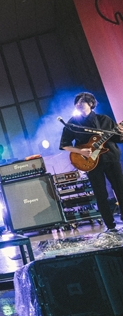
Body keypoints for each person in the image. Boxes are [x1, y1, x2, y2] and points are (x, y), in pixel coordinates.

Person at [60, 92, 123, 232]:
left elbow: (117, 138)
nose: (78, 106)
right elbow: (64, 145)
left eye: (81, 103)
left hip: (110, 158)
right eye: (77, 104)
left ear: (91, 104)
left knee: (120, 188)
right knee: (101, 194)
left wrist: (121, 133)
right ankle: (110, 225)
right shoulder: (72, 123)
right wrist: (81, 151)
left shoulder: (104, 119)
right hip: (91, 163)